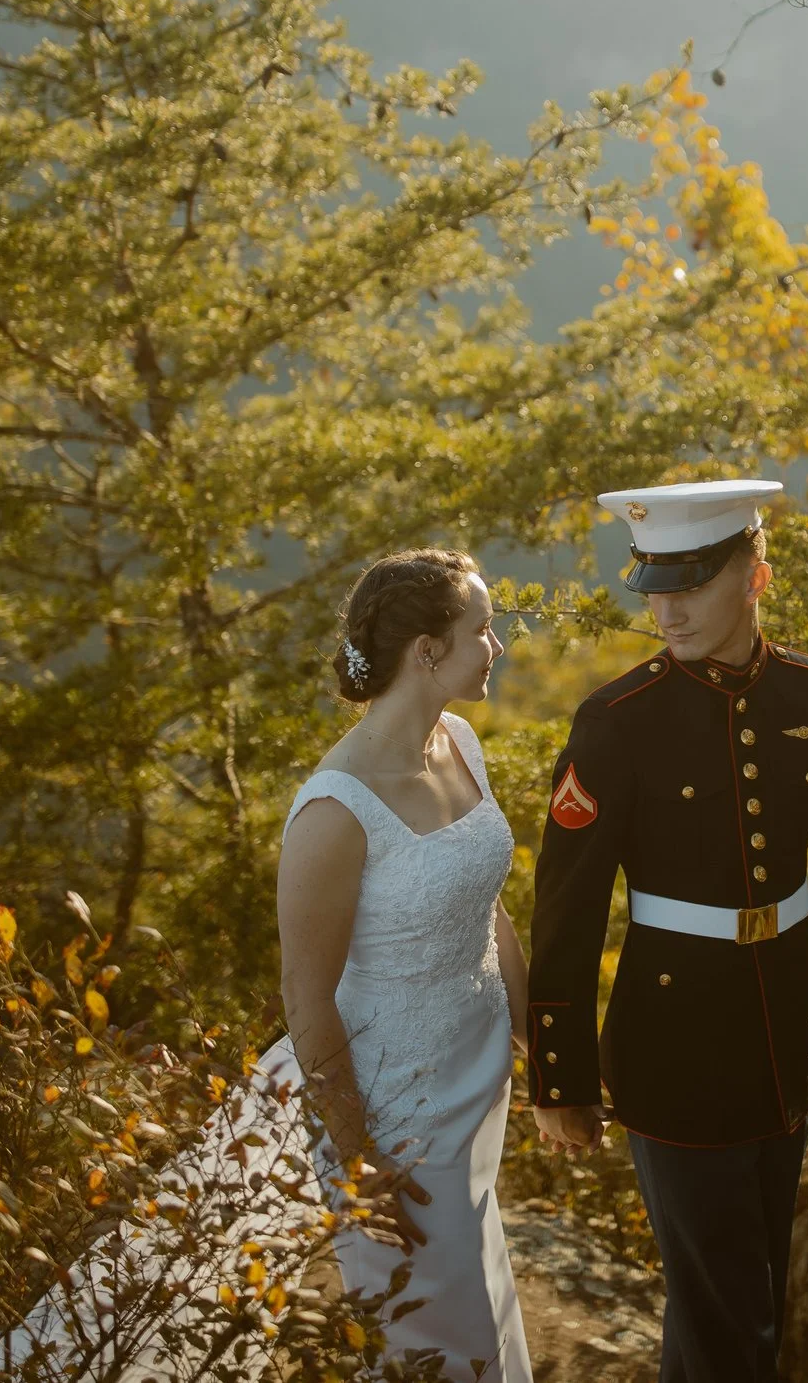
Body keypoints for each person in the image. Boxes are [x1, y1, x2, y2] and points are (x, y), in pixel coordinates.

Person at [529, 480, 808, 1383]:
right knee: (732, 1318)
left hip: (784, 1036)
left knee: (736, 1303)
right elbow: (566, 912)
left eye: (690, 583)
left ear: (756, 576)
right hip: (670, 1049)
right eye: (654, 585)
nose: (666, 607)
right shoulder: (616, 722)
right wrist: (558, 1079)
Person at [261, 547, 533, 1383]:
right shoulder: (336, 810)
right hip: (395, 1112)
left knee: (486, 1291)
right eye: (481, 630)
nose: (497, 645)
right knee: (436, 1331)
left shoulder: (458, 740)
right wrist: (357, 1156)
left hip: (477, 1075)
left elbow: (489, 908)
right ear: (426, 650)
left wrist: (542, 1040)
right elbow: (306, 996)